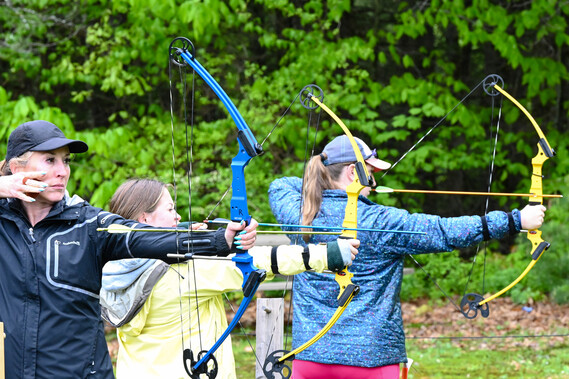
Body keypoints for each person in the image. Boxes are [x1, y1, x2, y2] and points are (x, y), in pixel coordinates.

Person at [268, 135, 547, 379]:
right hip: (373, 363)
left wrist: (320, 184)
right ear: (354, 173)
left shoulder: (300, 215)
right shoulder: (381, 220)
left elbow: (280, 184)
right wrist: (516, 220)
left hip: (310, 360)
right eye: (371, 174)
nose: (374, 183)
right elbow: (444, 231)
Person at [0, 120, 260, 379]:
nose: (62, 171)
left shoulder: (90, 224)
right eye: (50, 160)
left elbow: (150, 239)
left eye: (65, 161)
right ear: (16, 168)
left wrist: (222, 240)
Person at [100, 178, 359, 379]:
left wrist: (194, 241)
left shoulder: (112, 269)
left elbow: (151, 249)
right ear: (145, 219)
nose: (178, 216)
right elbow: (260, 262)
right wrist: (329, 254)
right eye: (170, 209)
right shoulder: (184, 270)